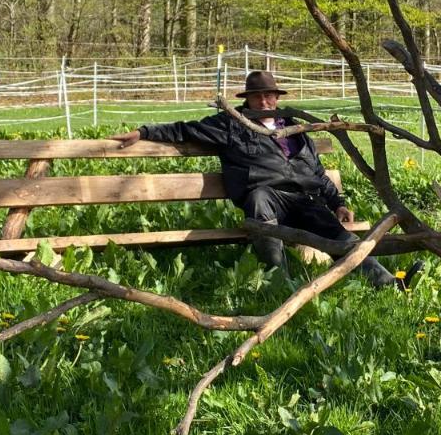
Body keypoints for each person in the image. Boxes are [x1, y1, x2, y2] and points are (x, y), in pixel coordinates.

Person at [109, 70, 422, 289]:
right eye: (258, 96)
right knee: (258, 199)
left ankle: (389, 283)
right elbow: (184, 130)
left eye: (269, 95)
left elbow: (314, 170)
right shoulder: (231, 124)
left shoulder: (294, 128)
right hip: (266, 196)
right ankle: (279, 282)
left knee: (341, 237)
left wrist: (337, 202)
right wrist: (144, 132)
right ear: (248, 99)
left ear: (276, 96)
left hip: (303, 198)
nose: (264, 101)